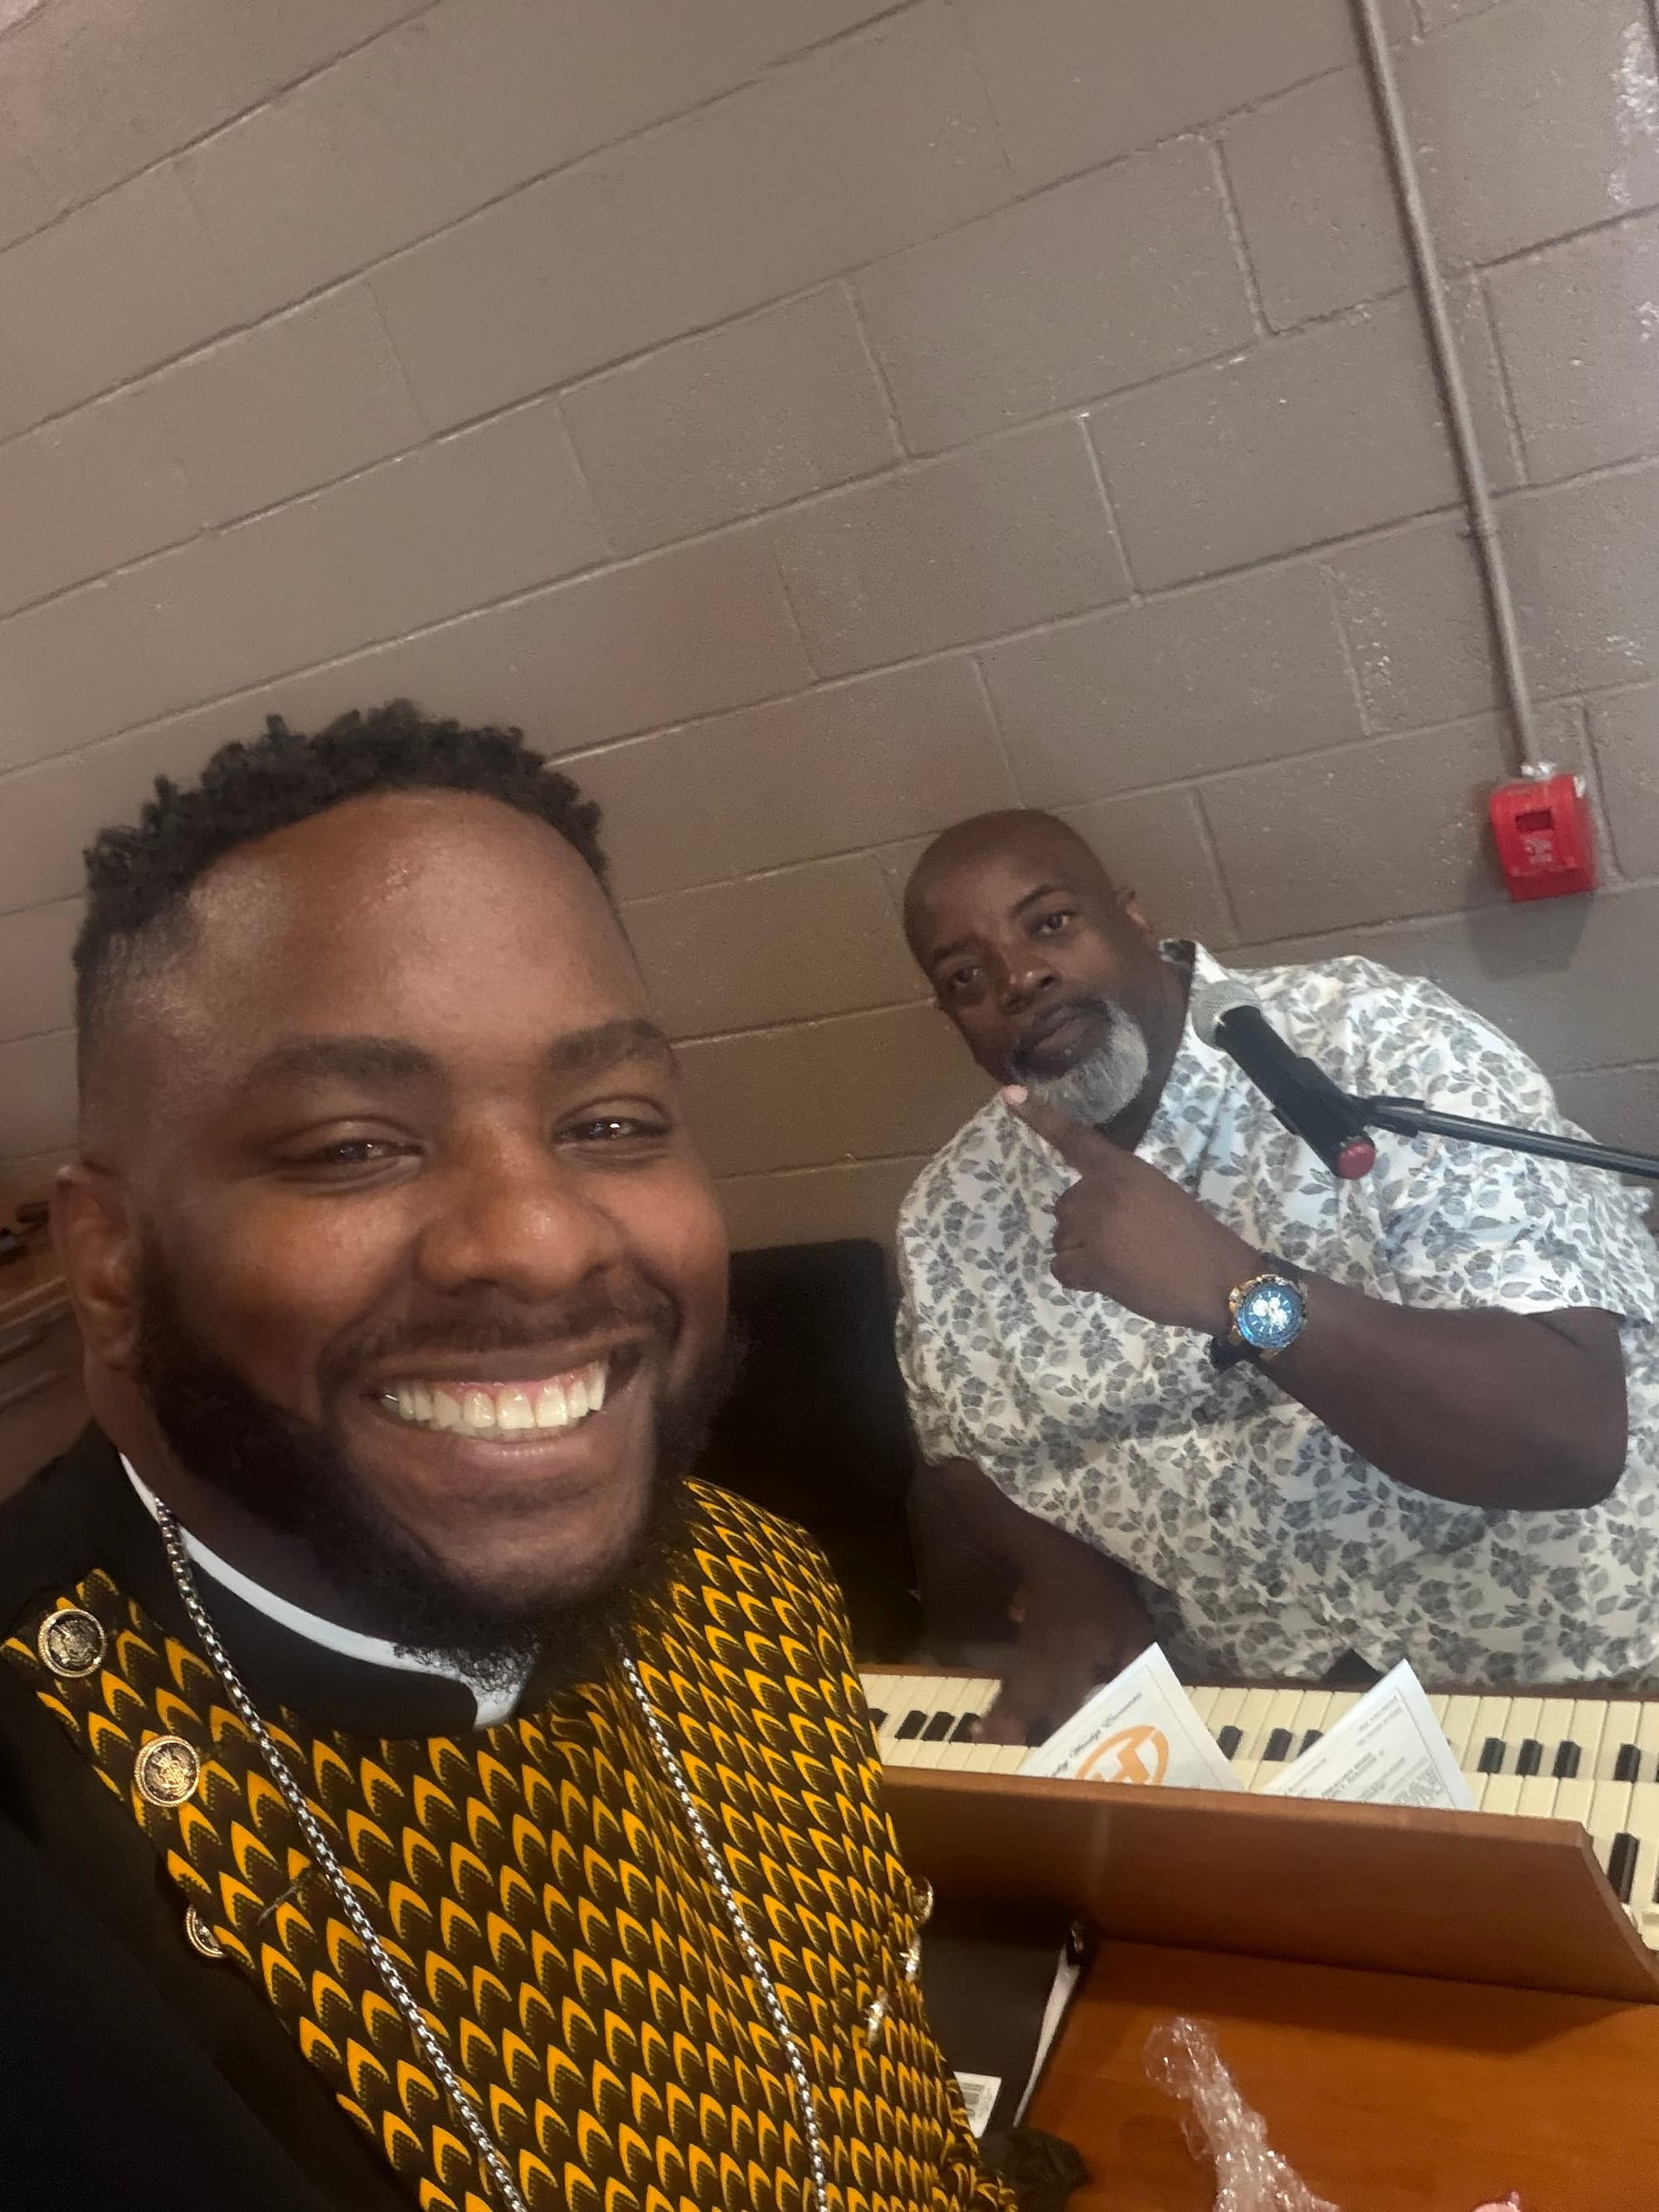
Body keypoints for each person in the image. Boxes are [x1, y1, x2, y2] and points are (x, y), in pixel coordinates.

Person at [0, 706, 1010, 2212]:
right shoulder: (40, 1827)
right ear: (106, 1258)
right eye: (353, 1144)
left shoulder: (754, 1581)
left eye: (609, 1122)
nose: (539, 1240)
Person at [896, 809, 1659, 1745]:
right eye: (966, 977)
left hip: (1577, 1678)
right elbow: (960, 1446)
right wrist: (1064, 1581)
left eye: (1050, 922)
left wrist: (1242, 1291)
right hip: (1260, 1719)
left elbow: (1570, 1437)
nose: (1018, 977)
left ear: (1132, 918)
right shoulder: (950, 1214)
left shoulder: (1376, 1040)